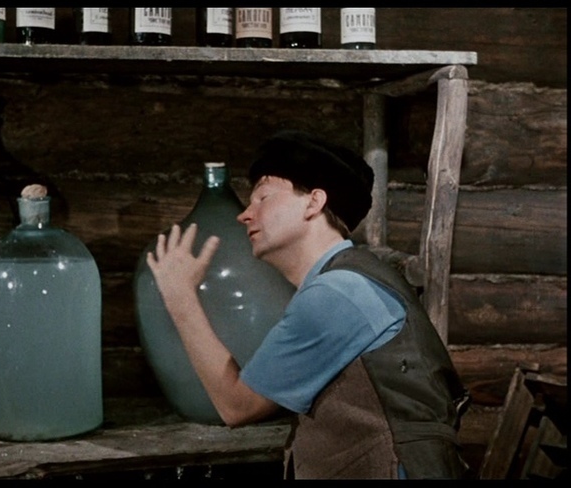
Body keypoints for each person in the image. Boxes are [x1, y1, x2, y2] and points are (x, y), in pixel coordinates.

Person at [146, 129, 470, 479]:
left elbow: (237, 405)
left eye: (263, 198)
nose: (245, 214)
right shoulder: (342, 281)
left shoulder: (338, 293)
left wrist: (180, 297)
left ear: (314, 203)